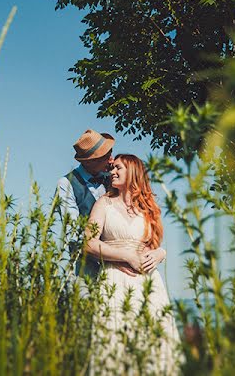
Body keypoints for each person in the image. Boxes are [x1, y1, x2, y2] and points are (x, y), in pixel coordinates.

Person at [85, 154, 181, 375]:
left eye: (119, 168)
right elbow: (88, 243)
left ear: (134, 172)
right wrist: (125, 256)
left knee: (154, 342)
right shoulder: (104, 203)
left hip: (148, 284)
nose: (113, 172)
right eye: (112, 168)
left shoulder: (149, 209)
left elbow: (157, 246)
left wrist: (161, 253)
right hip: (114, 279)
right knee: (114, 342)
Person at [57, 129, 139, 278]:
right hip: (85, 270)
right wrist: (115, 257)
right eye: (106, 156)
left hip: (120, 269)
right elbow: (74, 234)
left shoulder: (114, 179)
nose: (111, 160)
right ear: (90, 161)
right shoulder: (66, 184)